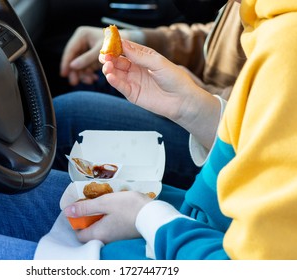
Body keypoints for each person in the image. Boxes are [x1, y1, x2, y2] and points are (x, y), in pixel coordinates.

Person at [0, 0, 297, 260]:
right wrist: (201, 113)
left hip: (181, 245)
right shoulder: (271, 20)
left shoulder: (287, 48)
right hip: (200, 224)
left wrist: (148, 218)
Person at [53, 0, 246, 189]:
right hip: (213, 110)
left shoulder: (275, 24)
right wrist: (138, 39)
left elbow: (266, 118)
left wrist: (198, 96)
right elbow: (217, 36)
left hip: (229, 144)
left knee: (66, 120)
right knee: (98, 80)